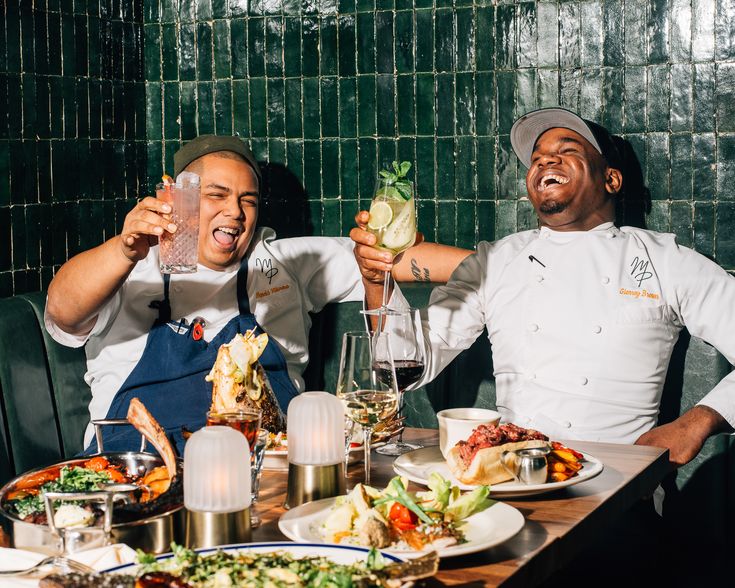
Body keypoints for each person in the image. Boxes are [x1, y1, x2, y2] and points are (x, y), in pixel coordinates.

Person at [352, 107, 734, 467]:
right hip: (508, 478)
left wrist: (695, 423)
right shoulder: (494, 261)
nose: (545, 161)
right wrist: (375, 282)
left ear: (610, 179)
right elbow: (411, 364)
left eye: (567, 151)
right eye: (537, 159)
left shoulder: (664, 261)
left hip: (617, 485)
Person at [45, 135, 471, 454]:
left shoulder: (284, 261)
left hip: (268, 463)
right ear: (178, 197)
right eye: (216, 195)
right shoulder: (129, 265)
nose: (234, 212)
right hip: (137, 463)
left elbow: (385, 255)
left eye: (247, 199)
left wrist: (503, 264)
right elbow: (62, 313)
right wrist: (124, 248)